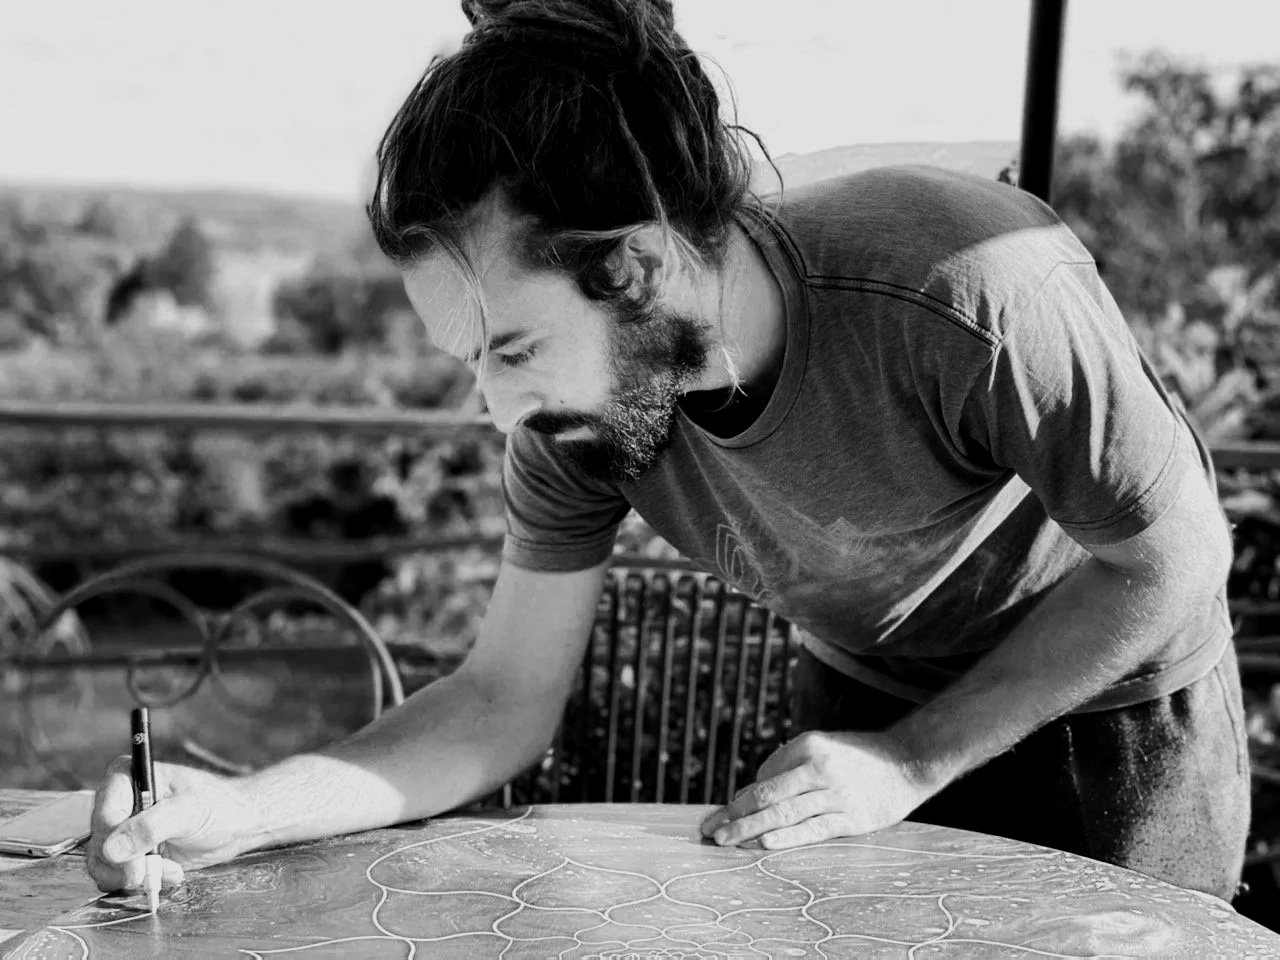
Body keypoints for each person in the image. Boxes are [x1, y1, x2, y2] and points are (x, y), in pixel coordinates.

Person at [88, 0, 1249, 904]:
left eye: (515, 347)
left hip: (1111, 708)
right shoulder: (576, 416)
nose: (499, 411)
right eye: (472, 362)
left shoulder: (968, 284)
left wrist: (910, 762)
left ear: (635, 268)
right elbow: (499, 701)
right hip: (865, 705)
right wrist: (237, 811)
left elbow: (1176, 557)